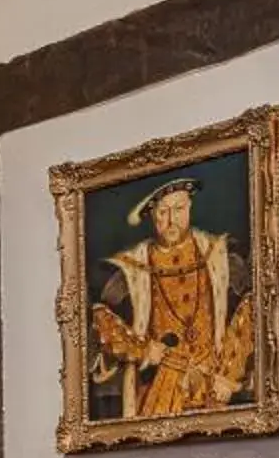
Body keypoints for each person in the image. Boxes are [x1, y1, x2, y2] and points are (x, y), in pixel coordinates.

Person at [88, 177, 255, 418]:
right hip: (160, 387)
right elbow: (101, 317)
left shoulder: (220, 256)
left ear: (189, 208)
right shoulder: (132, 269)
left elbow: (249, 307)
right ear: (152, 215)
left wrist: (229, 375)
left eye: (178, 210)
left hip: (213, 384)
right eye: (163, 212)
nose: (171, 220)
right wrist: (143, 349)